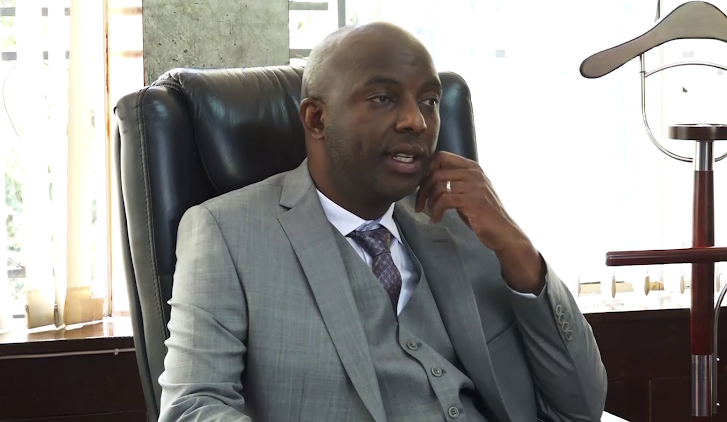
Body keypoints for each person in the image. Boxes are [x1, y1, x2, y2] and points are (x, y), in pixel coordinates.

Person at [158, 21, 606, 422]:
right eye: (383, 98)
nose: (416, 121)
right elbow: (192, 406)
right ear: (316, 118)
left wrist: (517, 251)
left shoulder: (462, 223)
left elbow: (580, 407)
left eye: (429, 101)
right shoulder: (227, 232)